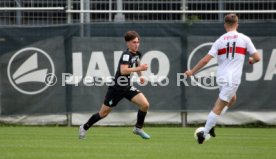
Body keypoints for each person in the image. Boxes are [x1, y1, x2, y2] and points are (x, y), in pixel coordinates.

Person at [184, 13, 261, 144]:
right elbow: (257, 57)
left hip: (221, 77)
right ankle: (204, 133)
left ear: (225, 25)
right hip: (233, 78)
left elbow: (206, 60)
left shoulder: (220, 40)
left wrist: (192, 71)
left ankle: (211, 124)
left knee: (232, 99)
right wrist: (252, 61)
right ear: (237, 24)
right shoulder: (244, 39)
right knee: (219, 106)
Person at [79, 31, 151, 139]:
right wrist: (140, 69)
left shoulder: (136, 54)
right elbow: (123, 71)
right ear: (127, 43)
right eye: (133, 42)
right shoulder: (126, 55)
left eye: (137, 42)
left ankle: (138, 128)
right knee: (103, 113)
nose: (136, 44)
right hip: (116, 88)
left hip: (127, 87)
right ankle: (84, 127)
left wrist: (141, 75)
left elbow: (137, 62)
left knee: (145, 104)